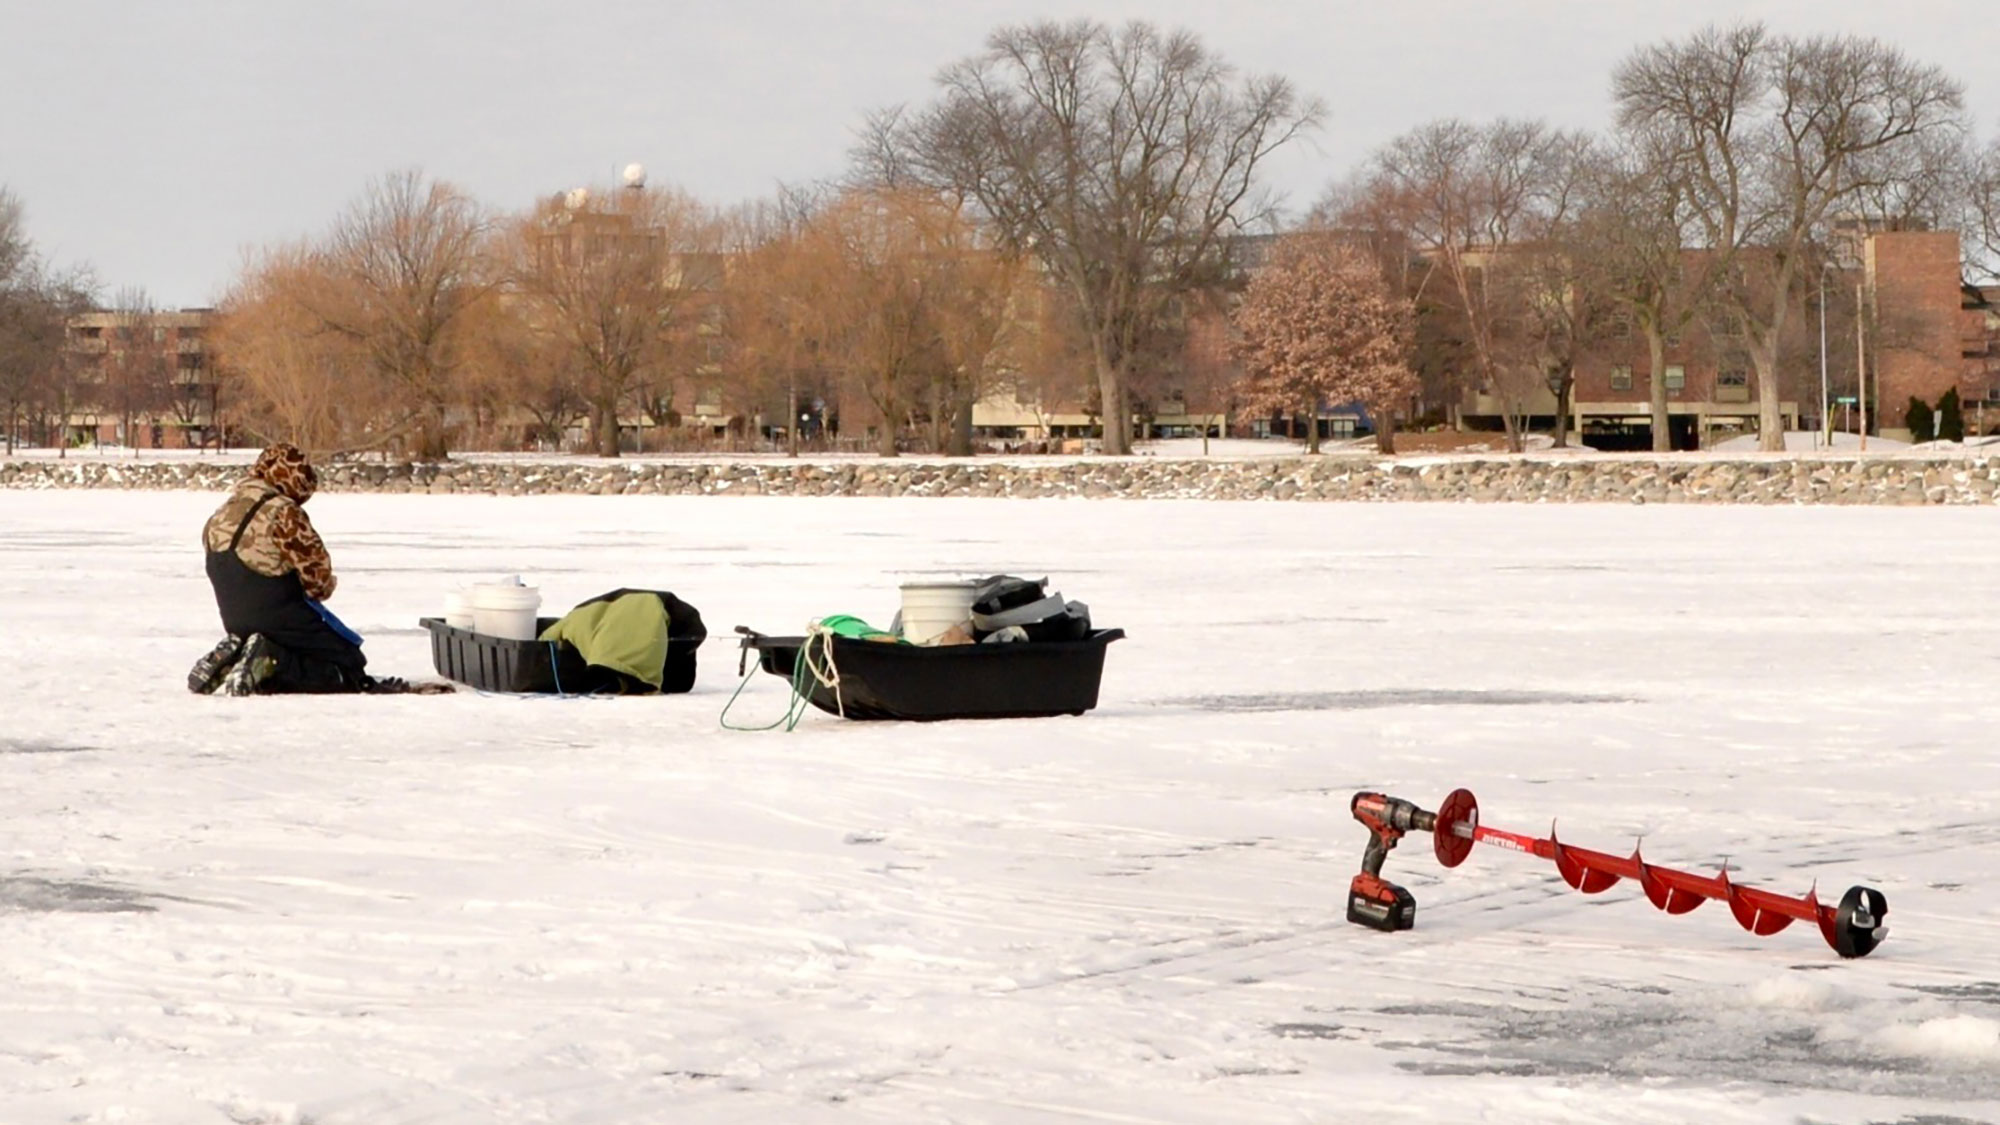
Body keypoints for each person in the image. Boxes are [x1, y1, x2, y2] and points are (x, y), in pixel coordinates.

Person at [187, 443, 384, 695]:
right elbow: (318, 580)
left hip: (234, 619)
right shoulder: (284, 512)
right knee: (349, 666)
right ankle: (270, 662)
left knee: (290, 651)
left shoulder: (222, 513)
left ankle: (239, 653)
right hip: (280, 615)